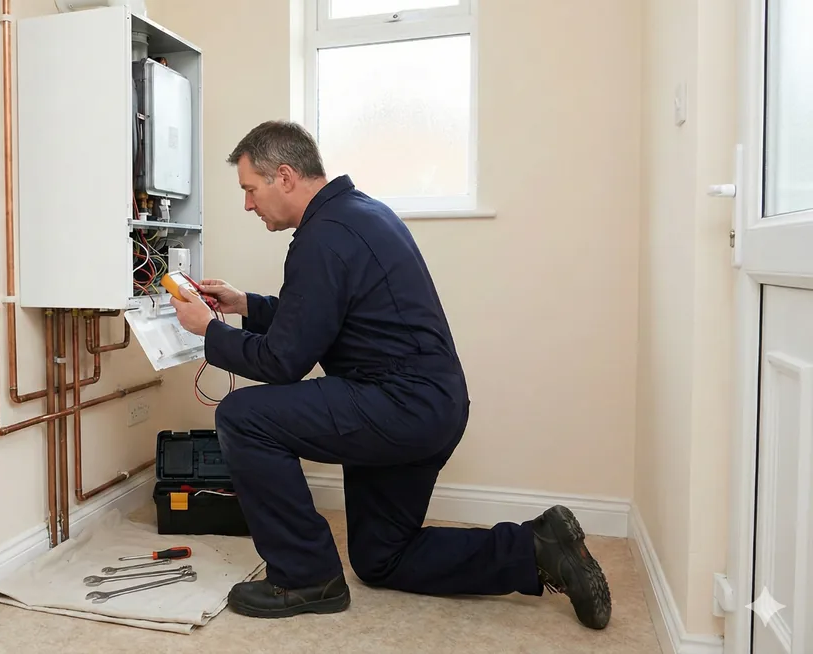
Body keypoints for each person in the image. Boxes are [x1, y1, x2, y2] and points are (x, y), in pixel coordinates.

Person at [168, 120, 612, 629]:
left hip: (396, 406)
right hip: (430, 406)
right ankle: (535, 547)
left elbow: (282, 363)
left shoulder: (322, 238)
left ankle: (305, 577)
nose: (248, 204)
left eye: (250, 189)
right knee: (382, 557)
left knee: (243, 416)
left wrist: (207, 331)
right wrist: (246, 304)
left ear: (284, 176)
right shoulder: (360, 214)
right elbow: (317, 319)